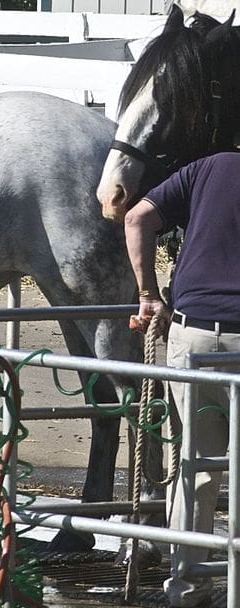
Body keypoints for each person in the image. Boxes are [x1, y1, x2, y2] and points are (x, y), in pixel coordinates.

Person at [125, 150, 240, 608]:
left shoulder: (210, 167)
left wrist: (148, 295)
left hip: (192, 339)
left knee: (193, 469)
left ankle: (188, 591)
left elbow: (135, 218)